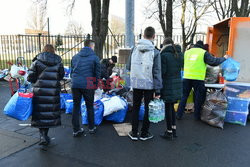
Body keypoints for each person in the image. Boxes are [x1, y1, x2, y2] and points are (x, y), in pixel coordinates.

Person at [176, 41, 228, 120]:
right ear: (202, 46)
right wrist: (224, 58)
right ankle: (196, 116)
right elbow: (213, 62)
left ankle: (179, 115)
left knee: (184, 96)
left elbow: (182, 63)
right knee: (198, 97)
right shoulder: (203, 53)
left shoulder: (187, 52)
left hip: (186, 77)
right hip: (198, 79)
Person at [127, 26, 162, 141]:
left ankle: (134, 132)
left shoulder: (134, 49)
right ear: (154, 36)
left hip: (136, 82)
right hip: (149, 84)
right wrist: (158, 90)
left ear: (143, 35)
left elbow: (128, 66)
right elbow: (156, 72)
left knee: (136, 107)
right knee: (148, 108)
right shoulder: (155, 52)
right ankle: (144, 133)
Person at [27, 44, 64, 146]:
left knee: (40, 113)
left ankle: (42, 135)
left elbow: (30, 77)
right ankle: (44, 135)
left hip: (39, 92)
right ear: (53, 51)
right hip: (52, 92)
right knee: (48, 113)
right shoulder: (58, 62)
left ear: (43, 50)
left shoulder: (36, 62)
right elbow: (61, 76)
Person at [71, 40, 101, 137]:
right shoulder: (95, 58)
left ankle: (76, 130)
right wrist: (95, 86)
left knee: (76, 107)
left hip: (75, 84)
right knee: (89, 106)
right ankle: (91, 128)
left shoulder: (75, 57)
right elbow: (97, 74)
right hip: (88, 84)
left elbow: (72, 72)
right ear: (91, 46)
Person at [160, 38, 184, 140]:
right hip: (177, 84)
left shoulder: (164, 56)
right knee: (172, 107)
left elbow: (163, 72)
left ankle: (169, 132)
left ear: (164, 45)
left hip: (168, 84)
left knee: (168, 108)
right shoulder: (179, 54)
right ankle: (173, 130)